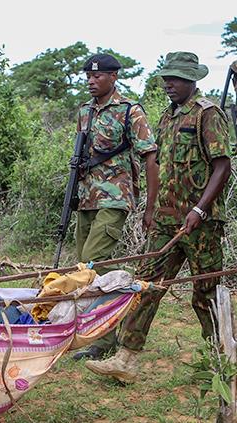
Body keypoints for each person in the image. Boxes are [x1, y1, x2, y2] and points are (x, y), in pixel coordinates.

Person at [83, 52, 232, 383]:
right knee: (146, 286)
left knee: (205, 292)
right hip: (167, 219)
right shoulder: (166, 117)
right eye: (166, 78)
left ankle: (219, 362)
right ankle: (126, 358)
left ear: (192, 80)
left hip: (201, 222)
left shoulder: (208, 114)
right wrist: (151, 209)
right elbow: (159, 166)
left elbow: (222, 166)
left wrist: (199, 209)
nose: (169, 84)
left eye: (176, 78)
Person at [68, 53, 159, 361]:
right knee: (87, 266)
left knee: (92, 262)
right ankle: (102, 336)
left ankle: (108, 330)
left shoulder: (129, 110)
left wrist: (150, 206)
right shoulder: (85, 111)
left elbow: (150, 156)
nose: (92, 81)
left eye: (98, 76)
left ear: (113, 77)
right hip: (86, 198)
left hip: (115, 197)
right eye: (88, 77)